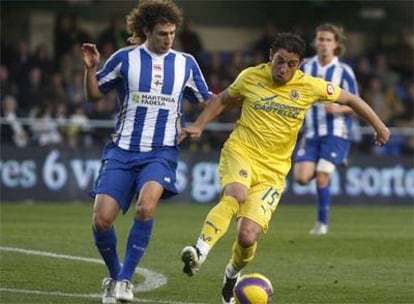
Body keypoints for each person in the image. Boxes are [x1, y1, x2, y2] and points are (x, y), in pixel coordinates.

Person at [179, 33, 390, 304]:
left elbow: (350, 99)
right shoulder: (250, 77)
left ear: (299, 64)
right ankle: (200, 251)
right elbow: (222, 100)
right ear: (271, 56)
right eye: (279, 61)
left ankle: (231, 276)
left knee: (247, 236)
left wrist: (380, 126)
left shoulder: (310, 86)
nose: (283, 69)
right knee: (235, 194)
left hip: (274, 171)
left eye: (291, 64)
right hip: (241, 152)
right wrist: (198, 125)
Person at [81, 1, 212, 303]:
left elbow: (208, 99)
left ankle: (125, 281)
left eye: (172, 33)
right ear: (145, 32)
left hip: (161, 152)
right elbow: (92, 95)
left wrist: (242, 95)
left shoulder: (185, 63)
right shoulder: (124, 59)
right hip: (122, 151)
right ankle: (115, 276)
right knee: (101, 220)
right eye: (162, 33)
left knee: (146, 206)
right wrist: (90, 70)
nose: (168, 39)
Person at [293, 23, 359, 235]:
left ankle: (322, 224)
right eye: (320, 39)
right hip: (311, 133)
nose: (323, 44)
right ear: (315, 42)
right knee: (302, 179)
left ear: (336, 45)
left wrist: (338, 109)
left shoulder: (343, 72)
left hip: (336, 132)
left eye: (328, 40)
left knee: (322, 175)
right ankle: (335, 159)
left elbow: (356, 105)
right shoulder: (305, 68)